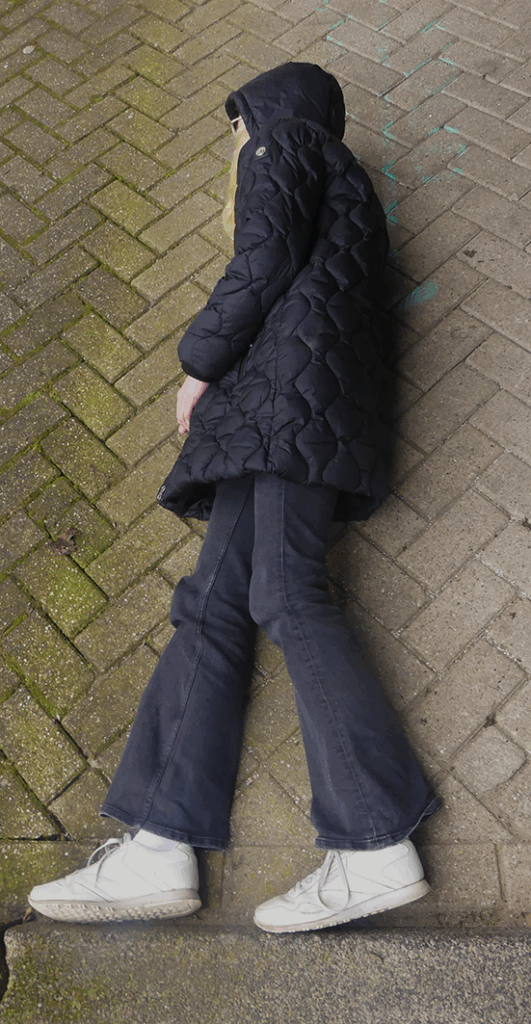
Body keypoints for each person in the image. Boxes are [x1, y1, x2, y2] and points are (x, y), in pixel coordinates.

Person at [28, 62, 439, 934]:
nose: (234, 137)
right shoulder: (342, 186)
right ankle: (158, 842)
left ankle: (374, 840)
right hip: (296, 414)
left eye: (235, 119)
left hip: (286, 409)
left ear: (268, 109)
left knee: (285, 592)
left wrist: (197, 364)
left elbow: (263, 260)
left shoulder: (283, 144)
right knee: (212, 605)